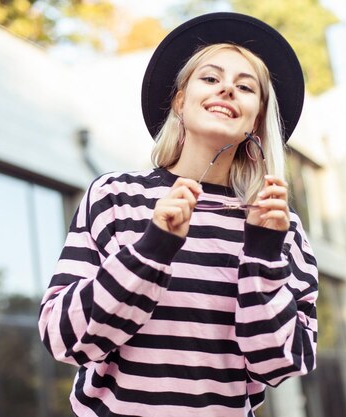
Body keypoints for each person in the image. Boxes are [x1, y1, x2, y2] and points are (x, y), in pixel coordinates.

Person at [39, 12, 318, 417]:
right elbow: (64, 339)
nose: (226, 89)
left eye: (245, 86)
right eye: (210, 78)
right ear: (179, 100)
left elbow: (279, 364)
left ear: (257, 119)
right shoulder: (115, 195)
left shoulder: (279, 225)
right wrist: (153, 248)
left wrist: (262, 253)